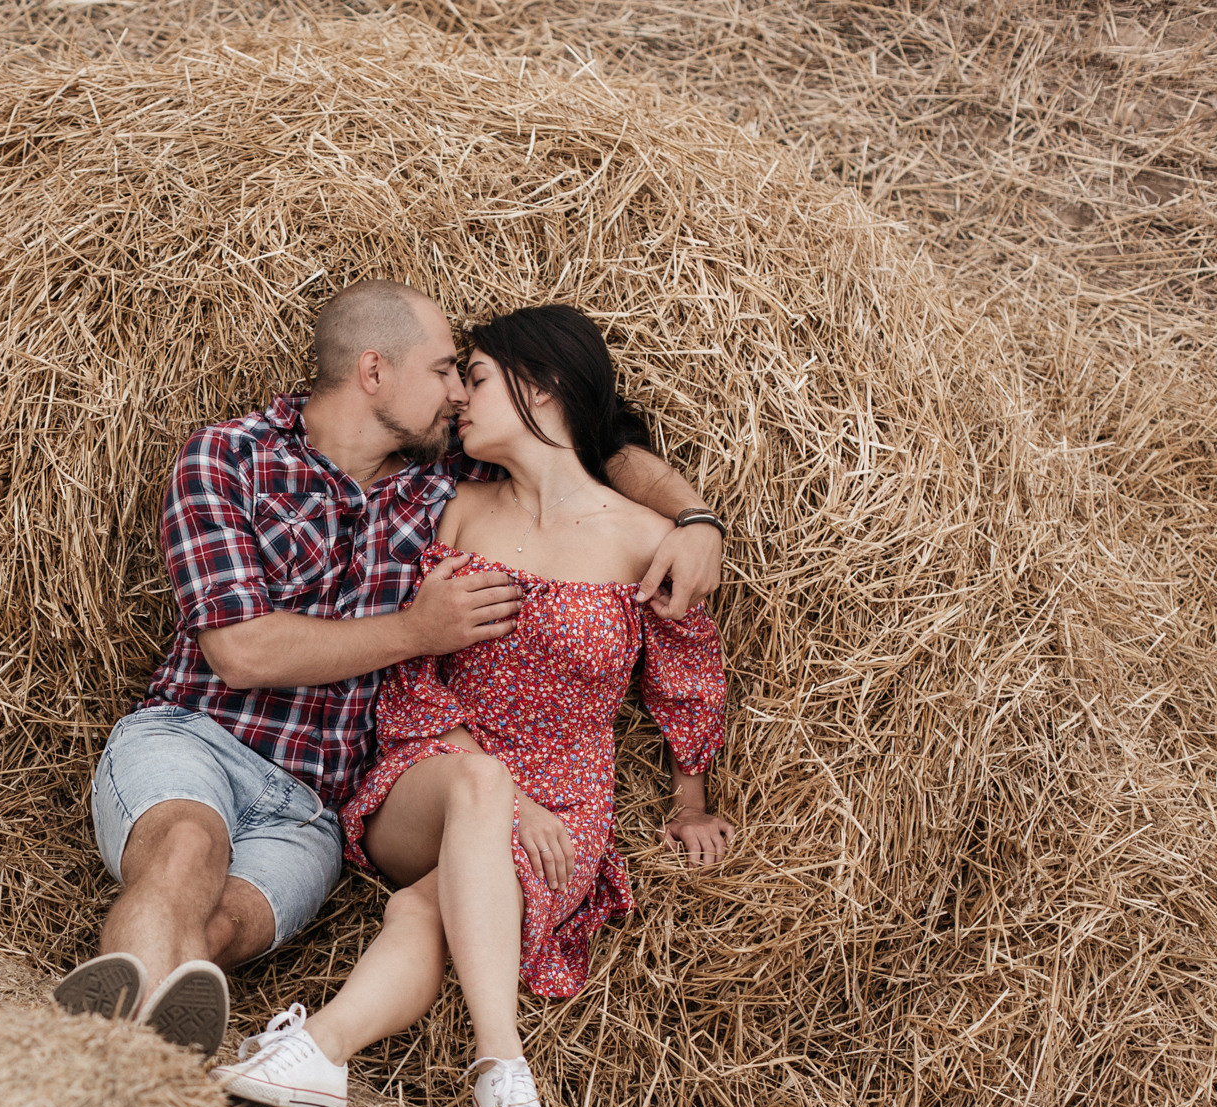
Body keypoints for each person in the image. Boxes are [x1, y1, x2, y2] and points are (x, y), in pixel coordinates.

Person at [54, 282, 726, 1057]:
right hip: (197, 737)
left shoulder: (438, 491)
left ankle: (125, 1034)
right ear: (374, 372)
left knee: (223, 927)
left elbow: (589, 445)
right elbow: (241, 652)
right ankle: (105, 1071)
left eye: (468, 378)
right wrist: (414, 631)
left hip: (311, 808)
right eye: (447, 371)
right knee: (185, 852)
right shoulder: (228, 456)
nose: (456, 395)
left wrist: (696, 518)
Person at [205, 304, 733, 1107]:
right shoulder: (449, 506)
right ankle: (503, 1071)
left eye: (475, 377)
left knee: (425, 910)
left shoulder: (644, 540)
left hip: (565, 803)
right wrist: (497, 789)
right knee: (481, 787)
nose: (456, 398)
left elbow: (683, 675)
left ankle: (315, 1054)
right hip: (432, 766)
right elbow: (413, 672)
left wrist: (691, 800)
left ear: (543, 386)